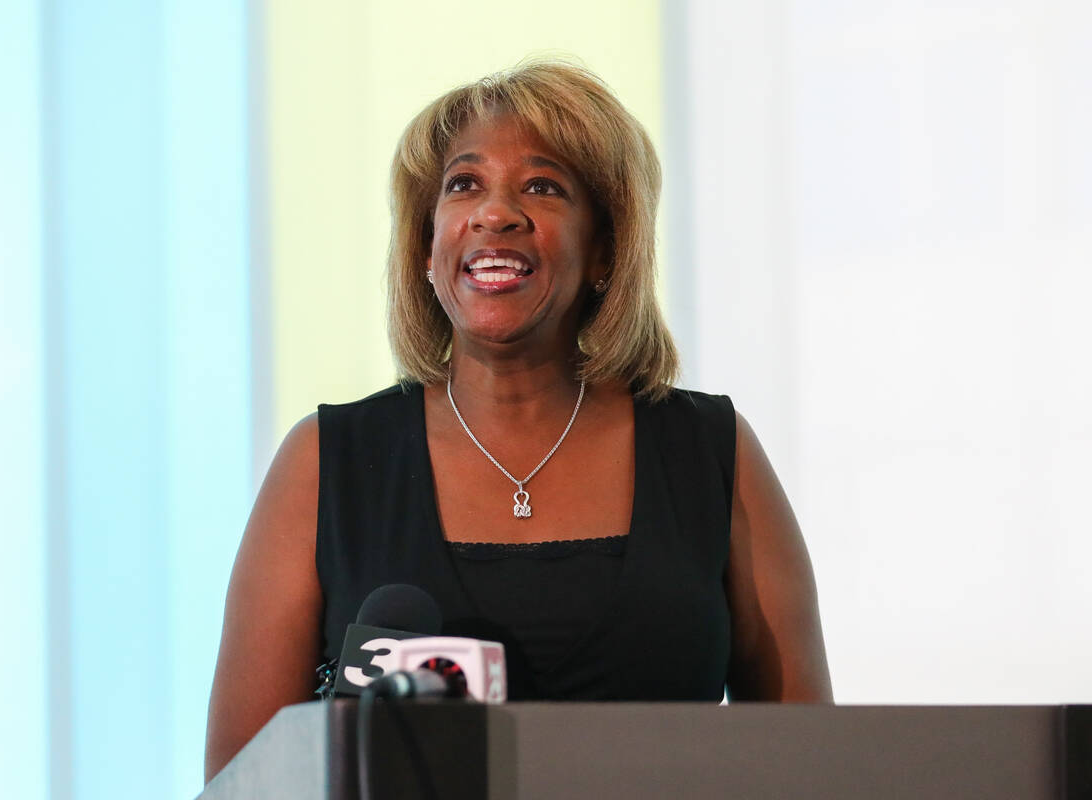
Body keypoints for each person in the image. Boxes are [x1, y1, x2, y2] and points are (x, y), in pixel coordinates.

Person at [204, 60, 832, 783]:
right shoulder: (326, 463)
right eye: (463, 184)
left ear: (605, 248)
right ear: (426, 250)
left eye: (542, 186)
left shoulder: (711, 453)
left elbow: (808, 766)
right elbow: (239, 782)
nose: (494, 213)